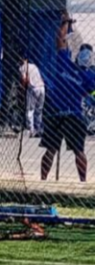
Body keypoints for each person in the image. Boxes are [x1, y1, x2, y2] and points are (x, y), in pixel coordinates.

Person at [41, 17, 95, 182]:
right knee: (78, 150)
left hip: (57, 112)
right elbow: (90, 92)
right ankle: (83, 181)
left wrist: (65, 22)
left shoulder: (65, 64)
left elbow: (60, 40)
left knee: (51, 149)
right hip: (74, 115)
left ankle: (43, 179)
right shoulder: (89, 77)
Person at [19, 56, 44, 137]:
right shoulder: (34, 66)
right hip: (42, 87)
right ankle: (39, 129)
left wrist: (22, 88)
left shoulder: (23, 68)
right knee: (39, 110)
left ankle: (31, 130)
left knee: (30, 110)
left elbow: (25, 80)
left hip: (33, 88)